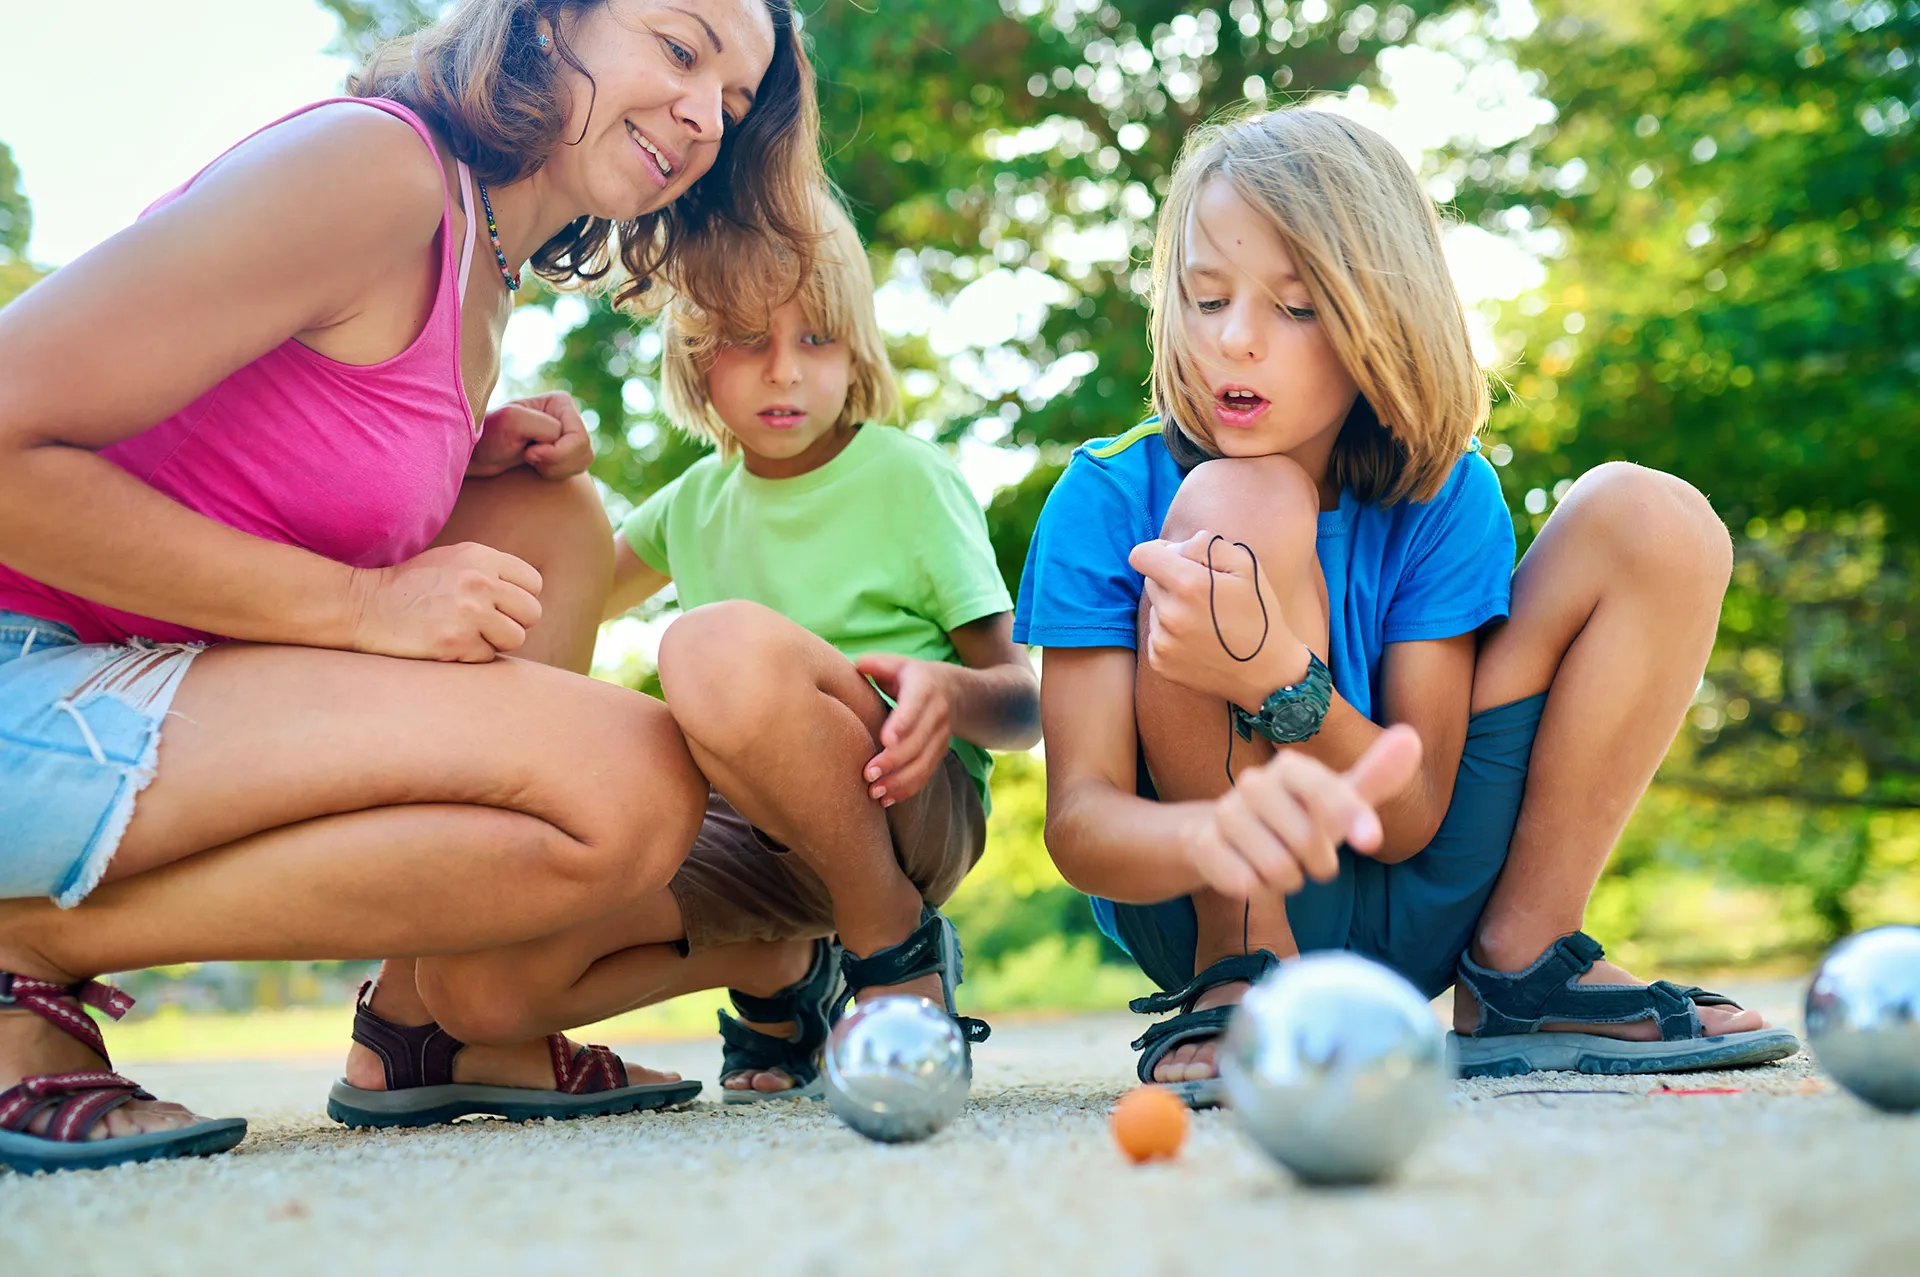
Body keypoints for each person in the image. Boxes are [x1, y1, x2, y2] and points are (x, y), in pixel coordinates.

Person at [0, 0, 824, 1172]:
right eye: (680, 49)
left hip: (115, 678)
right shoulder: (375, 168)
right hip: (22, 679)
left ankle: (422, 1022)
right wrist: (357, 605)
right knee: (626, 785)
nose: (701, 116)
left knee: (548, 516)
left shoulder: (482, 259)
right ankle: (24, 950)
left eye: (733, 106)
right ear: (547, 22)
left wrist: (448, 466)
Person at [1014, 105, 1800, 1107]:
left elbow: (1412, 815)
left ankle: (1522, 964)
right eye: (1207, 298)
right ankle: (1243, 960)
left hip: (1418, 874)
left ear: (1376, 318)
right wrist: (1201, 838)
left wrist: (1273, 677)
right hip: (1208, 886)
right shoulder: (1106, 494)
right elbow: (1078, 822)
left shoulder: (1443, 489)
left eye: (1297, 309)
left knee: (1656, 516)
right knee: (1233, 499)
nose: (1236, 341)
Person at [383, 193, 1039, 1104]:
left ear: (855, 350)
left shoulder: (908, 477)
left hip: (900, 805)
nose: (784, 374)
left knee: (707, 645)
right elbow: (555, 594)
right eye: (745, 339)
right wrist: (503, 479)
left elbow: (1024, 702)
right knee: (481, 992)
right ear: (694, 356)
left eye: (816, 340)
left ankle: (894, 947)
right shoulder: (694, 502)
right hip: (745, 837)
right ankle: (784, 963)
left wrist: (949, 694)